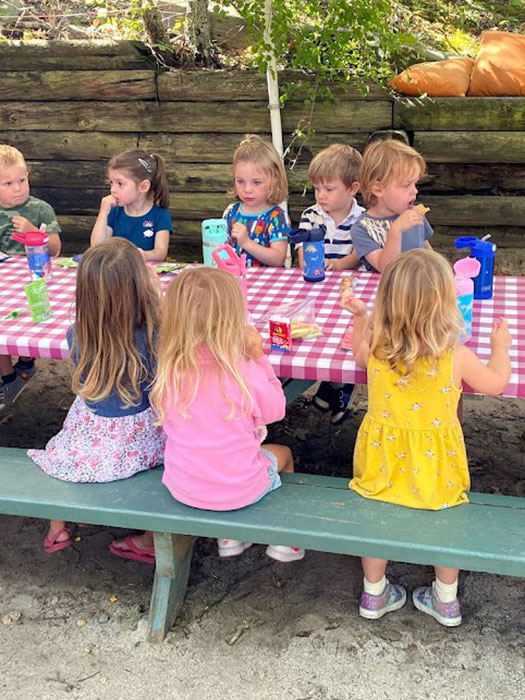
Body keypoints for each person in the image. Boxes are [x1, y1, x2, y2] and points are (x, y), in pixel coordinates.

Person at [342, 249, 511, 626]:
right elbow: (497, 383)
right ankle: (445, 599)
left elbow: (356, 355)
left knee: (376, 512)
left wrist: (361, 318)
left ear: (387, 301)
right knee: (446, 516)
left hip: (382, 453)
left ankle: (374, 593)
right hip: (436, 458)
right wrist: (501, 349)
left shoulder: (379, 347)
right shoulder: (456, 356)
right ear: (445, 303)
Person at [142, 266, 304, 563]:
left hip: (183, 485)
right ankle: (286, 540)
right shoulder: (242, 371)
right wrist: (258, 357)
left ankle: (230, 537)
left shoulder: (169, 370)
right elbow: (276, 410)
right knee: (284, 453)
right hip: (240, 489)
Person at [28, 238, 166, 555]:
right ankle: (149, 538)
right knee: (176, 456)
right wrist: (155, 300)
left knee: (59, 450)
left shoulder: (77, 333)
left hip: (92, 441)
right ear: (139, 286)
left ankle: (57, 527)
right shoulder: (156, 331)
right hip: (142, 442)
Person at [296, 143, 365, 425]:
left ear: (352, 188)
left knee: (343, 335)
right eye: (317, 189)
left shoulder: (362, 219)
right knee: (316, 332)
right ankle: (332, 384)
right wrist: (306, 264)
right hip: (316, 285)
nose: (321, 196)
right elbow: (302, 248)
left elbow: (359, 253)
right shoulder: (310, 215)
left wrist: (339, 265)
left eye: (328, 189)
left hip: (349, 288)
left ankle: (341, 386)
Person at [0, 145, 62, 413]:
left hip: (36, 277)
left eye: (22, 181)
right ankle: (8, 379)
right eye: (8, 183)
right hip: (4, 281)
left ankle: (26, 362)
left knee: (31, 322)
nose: (18, 188)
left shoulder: (40, 209)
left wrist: (34, 232)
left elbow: (57, 249)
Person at [351, 139, 433, 273]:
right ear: (378, 189)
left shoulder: (414, 215)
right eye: (406, 185)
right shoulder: (362, 229)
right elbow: (385, 267)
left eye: (415, 184)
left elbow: (428, 252)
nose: (415, 191)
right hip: (385, 291)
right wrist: (395, 231)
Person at [90, 148, 172, 262]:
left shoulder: (160, 214)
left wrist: (144, 255)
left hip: (146, 271)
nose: (113, 189)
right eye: (111, 183)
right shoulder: (114, 211)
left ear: (143, 186)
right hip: (117, 271)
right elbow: (96, 246)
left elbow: (160, 252)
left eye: (120, 184)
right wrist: (103, 212)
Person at [223, 134, 290, 267]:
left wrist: (247, 243)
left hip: (269, 284)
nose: (247, 189)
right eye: (240, 181)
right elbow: (222, 250)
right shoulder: (231, 212)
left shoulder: (277, 217)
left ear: (274, 181)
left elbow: (278, 259)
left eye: (257, 182)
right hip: (235, 282)